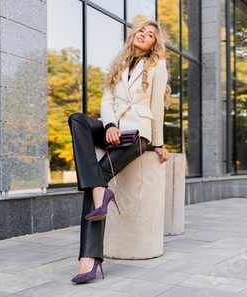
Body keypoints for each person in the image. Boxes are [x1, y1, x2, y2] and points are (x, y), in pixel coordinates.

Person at [68, 20, 171, 283]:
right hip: (113, 130)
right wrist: (110, 125)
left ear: (153, 43)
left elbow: (157, 106)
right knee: (77, 119)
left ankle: (87, 261)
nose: (144, 35)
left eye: (150, 35)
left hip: (137, 134)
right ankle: (101, 192)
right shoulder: (120, 63)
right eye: (142, 31)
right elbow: (107, 99)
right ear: (134, 34)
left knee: (97, 179)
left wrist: (158, 143)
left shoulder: (157, 65)